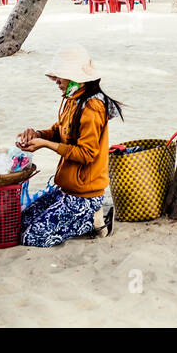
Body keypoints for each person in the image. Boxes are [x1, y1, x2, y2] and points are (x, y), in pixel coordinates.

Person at [16, 47, 121, 246]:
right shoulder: (72, 99)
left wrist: (46, 144)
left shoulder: (92, 107)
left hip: (84, 195)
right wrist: (37, 134)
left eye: (60, 76)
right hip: (67, 188)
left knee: (31, 237)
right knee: (20, 223)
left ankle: (92, 220)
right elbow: (59, 130)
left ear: (75, 77)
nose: (56, 81)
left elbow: (86, 154)